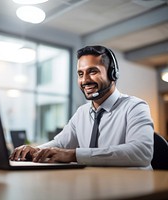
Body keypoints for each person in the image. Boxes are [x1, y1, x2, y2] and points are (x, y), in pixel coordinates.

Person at [10, 45, 154, 168]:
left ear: (112, 74)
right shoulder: (82, 112)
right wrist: (34, 150)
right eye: (80, 73)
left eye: (93, 71)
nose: (85, 80)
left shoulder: (135, 107)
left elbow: (142, 152)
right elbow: (60, 143)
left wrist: (74, 155)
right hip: (92, 185)